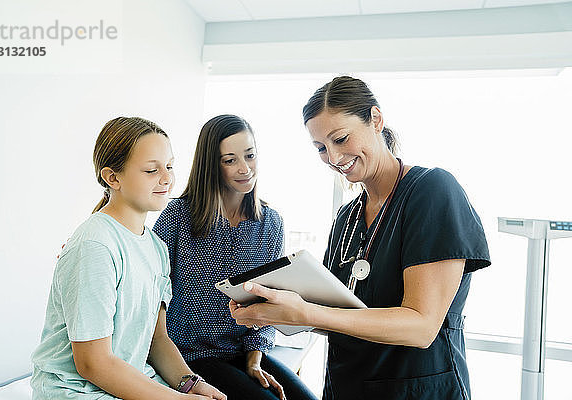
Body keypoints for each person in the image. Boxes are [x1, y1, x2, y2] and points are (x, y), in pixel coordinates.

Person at [230, 77, 491, 400]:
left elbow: (422, 327)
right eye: (321, 148)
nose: (334, 157)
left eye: (341, 139)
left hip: (416, 389)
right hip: (347, 387)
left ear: (376, 120)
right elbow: (339, 315)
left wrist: (308, 314)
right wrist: (279, 311)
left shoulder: (432, 191)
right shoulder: (347, 217)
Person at [31, 117, 226, 400]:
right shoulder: (95, 245)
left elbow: (156, 340)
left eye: (169, 166)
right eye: (151, 170)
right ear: (113, 178)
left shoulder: (156, 247)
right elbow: (93, 364)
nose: (167, 178)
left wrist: (190, 385)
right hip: (77, 392)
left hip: (125, 383)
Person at [153, 115, 318, 400]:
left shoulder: (270, 223)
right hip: (190, 356)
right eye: (229, 160)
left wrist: (255, 360)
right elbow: (147, 284)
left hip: (245, 354)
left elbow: (267, 302)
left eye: (250, 156)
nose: (244, 169)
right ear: (211, 165)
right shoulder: (178, 216)